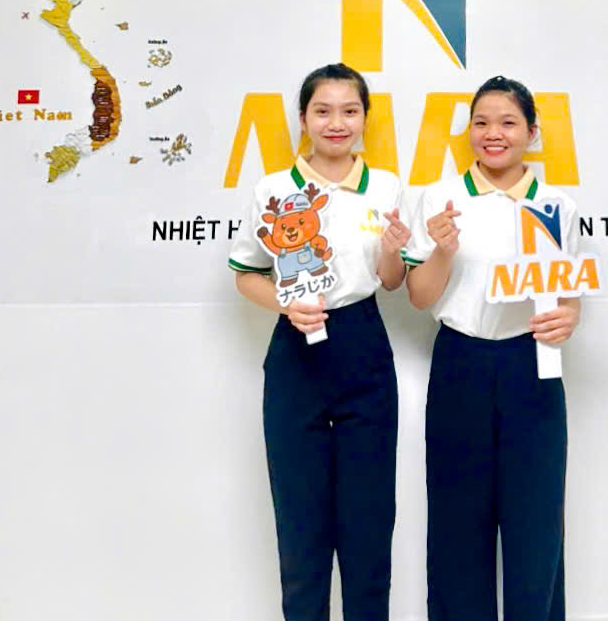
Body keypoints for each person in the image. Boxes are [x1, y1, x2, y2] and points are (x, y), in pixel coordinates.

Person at [229, 63, 409, 621]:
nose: (337, 123)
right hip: (296, 350)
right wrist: (286, 305)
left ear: (365, 119)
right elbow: (246, 275)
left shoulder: (385, 186)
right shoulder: (274, 189)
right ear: (303, 118)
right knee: (300, 519)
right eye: (323, 111)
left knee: (368, 520)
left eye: (349, 111)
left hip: (363, 345)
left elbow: (392, 280)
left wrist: (393, 250)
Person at [403, 76, 580, 621]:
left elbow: (568, 294)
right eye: (481, 123)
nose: (492, 134)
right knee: (458, 519)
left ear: (532, 132)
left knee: (536, 518)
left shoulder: (556, 205)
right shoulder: (442, 199)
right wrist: (442, 251)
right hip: (462, 361)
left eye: (507, 123)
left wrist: (568, 319)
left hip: (533, 365)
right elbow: (419, 296)